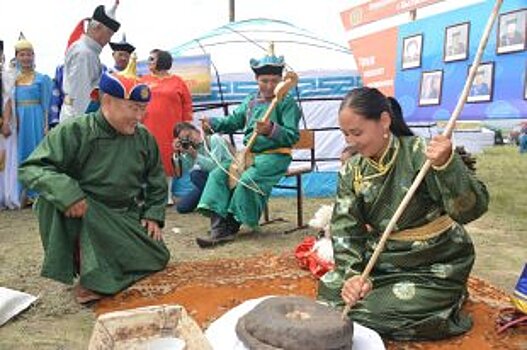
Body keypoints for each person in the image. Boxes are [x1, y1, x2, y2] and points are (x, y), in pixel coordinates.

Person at [317, 87, 489, 340]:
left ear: (384, 121)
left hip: (433, 261)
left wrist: (446, 165)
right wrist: (353, 276)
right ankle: (399, 299)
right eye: (345, 134)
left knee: (369, 312)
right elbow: (346, 230)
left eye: (357, 132)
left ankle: (450, 297)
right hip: (383, 259)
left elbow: (471, 210)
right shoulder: (351, 170)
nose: (350, 142)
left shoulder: (424, 154)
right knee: (331, 290)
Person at [18, 70, 170, 304]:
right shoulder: (75, 131)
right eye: (133, 108)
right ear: (106, 101)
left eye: (143, 109)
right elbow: (32, 168)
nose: (139, 117)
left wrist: (153, 214)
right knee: (49, 201)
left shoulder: (144, 137)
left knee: (158, 256)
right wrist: (67, 194)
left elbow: (157, 179)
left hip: (122, 215)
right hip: (84, 213)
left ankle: (108, 271)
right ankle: (90, 277)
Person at [195, 46, 301, 248]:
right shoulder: (251, 100)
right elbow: (235, 120)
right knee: (218, 174)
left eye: (274, 81)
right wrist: (214, 124)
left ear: (281, 81)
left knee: (247, 180)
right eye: (264, 81)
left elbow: (292, 136)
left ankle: (231, 226)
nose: (269, 86)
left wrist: (271, 129)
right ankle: (218, 227)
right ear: (256, 80)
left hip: (275, 157)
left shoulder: (287, 103)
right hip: (248, 154)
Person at [0, 34, 52, 206]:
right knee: (20, 155)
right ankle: (21, 193)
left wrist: (45, 125)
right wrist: (7, 122)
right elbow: (9, 102)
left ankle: (36, 193)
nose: (26, 58)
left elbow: (46, 104)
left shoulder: (42, 79)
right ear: (17, 57)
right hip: (19, 121)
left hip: (36, 118)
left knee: (37, 154)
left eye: (29, 54)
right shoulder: (12, 79)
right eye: (22, 54)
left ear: (33, 56)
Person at [141, 49, 193, 205]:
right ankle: (146, 196)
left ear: (161, 61)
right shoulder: (143, 80)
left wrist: (186, 127)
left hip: (170, 127)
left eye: (152, 59)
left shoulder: (178, 82)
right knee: (146, 158)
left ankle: (168, 195)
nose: (148, 62)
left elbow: (187, 104)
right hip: (147, 126)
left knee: (168, 158)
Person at [60, 3, 120, 122]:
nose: (109, 40)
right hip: (78, 118)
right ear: (96, 27)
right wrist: (80, 127)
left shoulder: (87, 52)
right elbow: (80, 96)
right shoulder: (84, 54)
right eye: (108, 34)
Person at [172, 121, 233, 213]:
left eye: (189, 135)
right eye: (184, 139)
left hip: (225, 179)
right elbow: (184, 170)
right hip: (208, 181)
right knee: (182, 207)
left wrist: (195, 155)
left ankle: (222, 201)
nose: (190, 139)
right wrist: (180, 153)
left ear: (197, 131)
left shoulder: (214, 139)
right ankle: (210, 200)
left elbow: (216, 167)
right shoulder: (193, 148)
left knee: (196, 175)